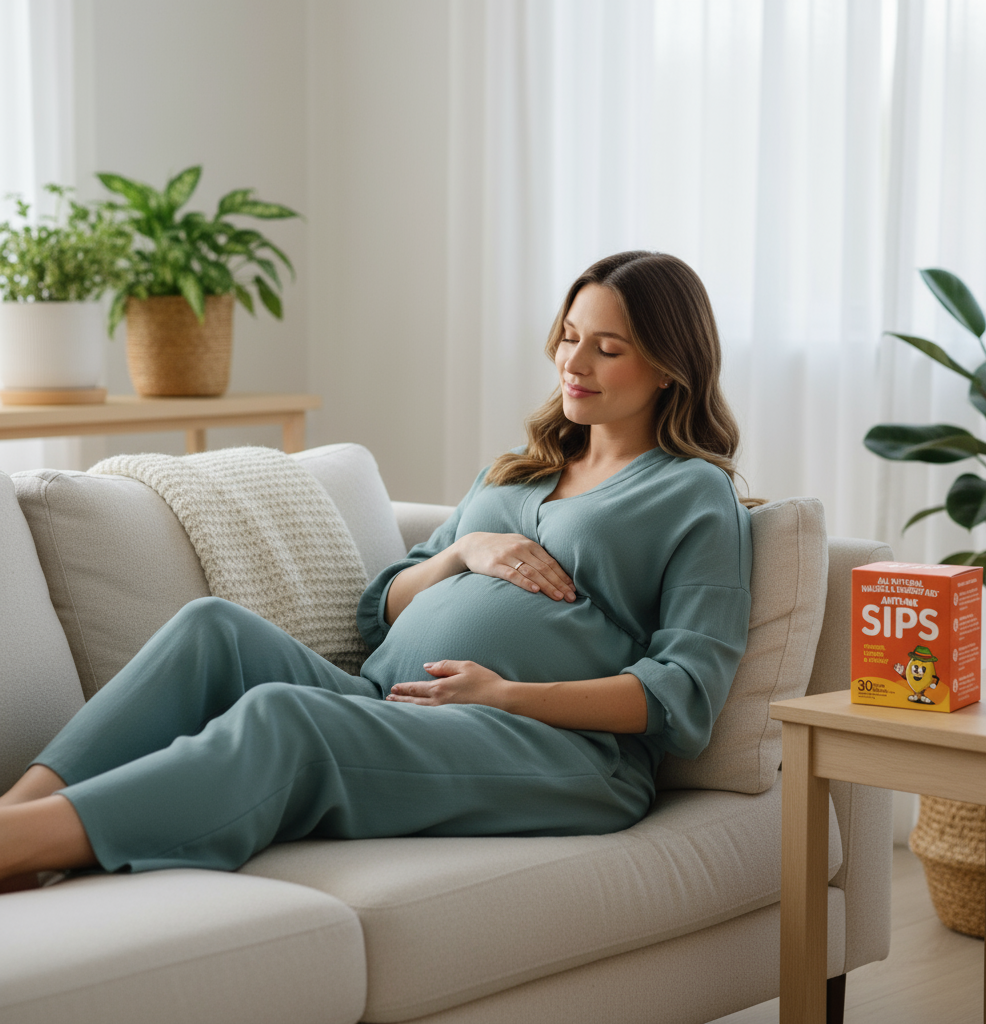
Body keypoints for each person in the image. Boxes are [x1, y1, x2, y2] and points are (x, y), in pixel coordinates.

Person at [0, 250, 754, 888]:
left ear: (667, 366)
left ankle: (26, 846)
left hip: (560, 753)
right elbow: (381, 606)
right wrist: (466, 550)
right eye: (568, 336)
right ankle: (17, 814)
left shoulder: (693, 492)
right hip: (390, 699)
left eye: (607, 348)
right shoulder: (518, 473)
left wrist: (508, 695)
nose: (573, 363)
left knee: (285, 719)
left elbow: (685, 694)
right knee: (212, 630)